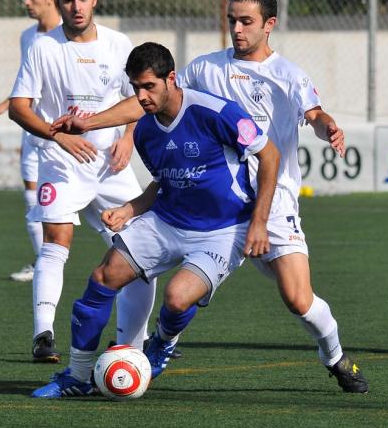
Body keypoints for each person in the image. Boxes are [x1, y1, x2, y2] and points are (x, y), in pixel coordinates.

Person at [52, 0, 369, 394]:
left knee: (297, 299)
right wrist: (90, 122)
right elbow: (152, 97)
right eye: (231, 20)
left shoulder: (288, 75)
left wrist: (330, 129)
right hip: (213, 200)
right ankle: (147, 347)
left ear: (269, 24)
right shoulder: (205, 69)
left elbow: (315, 114)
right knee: (150, 283)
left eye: (246, 21)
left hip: (271, 202)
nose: (236, 29)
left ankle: (336, 357)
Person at [31, 42, 280, 398]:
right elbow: (163, 183)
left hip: (224, 229)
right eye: (136, 87)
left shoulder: (216, 112)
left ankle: (162, 342)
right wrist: (130, 209)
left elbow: (270, 155)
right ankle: (78, 376)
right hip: (168, 220)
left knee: (177, 298)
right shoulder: (146, 132)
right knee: (103, 277)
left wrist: (259, 222)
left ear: (171, 79)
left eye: (149, 86)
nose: (141, 96)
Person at [8, 0, 154, 363]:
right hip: (61, 162)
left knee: (139, 252)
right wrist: (58, 136)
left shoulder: (118, 44)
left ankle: (133, 343)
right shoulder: (42, 47)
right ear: (57, 2)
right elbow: (18, 107)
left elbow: (139, 98)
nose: (77, 7)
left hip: (110, 166)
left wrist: (128, 137)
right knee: (56, 242)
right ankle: (43, 334)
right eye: (68, 0)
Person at [0, 0, 61, 283]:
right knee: (32, 197)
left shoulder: (68, 34)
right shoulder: (28, 36)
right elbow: (27, 83)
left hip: (66, 132)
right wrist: (6, 104)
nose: (26, 2)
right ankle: (43, 263)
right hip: (33, 130)